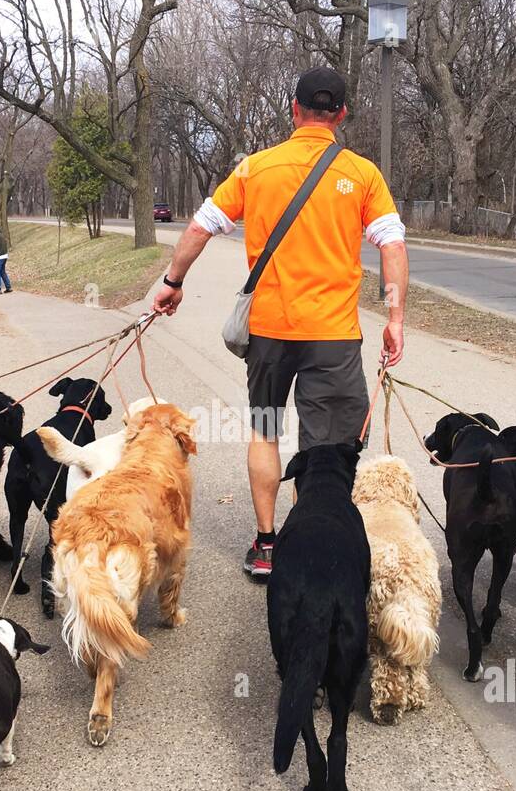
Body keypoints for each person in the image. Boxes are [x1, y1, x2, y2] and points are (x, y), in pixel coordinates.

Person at [152, 67, 408, 580]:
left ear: (293, 110)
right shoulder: (362, 174)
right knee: (324, 446)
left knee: (265, 429)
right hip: (333, 336)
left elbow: (202, 227)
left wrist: (172, 281)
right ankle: (311, 539)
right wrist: (395, 316)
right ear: (341, 115)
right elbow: (392, 245)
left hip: (268, 331)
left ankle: (266, 545)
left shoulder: (256, 169)